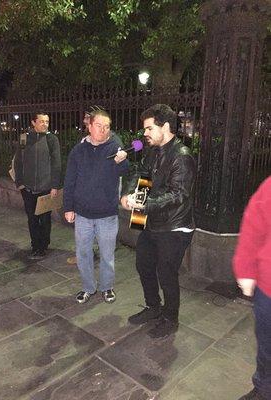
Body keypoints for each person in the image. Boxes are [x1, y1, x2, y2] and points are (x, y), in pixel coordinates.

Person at [121, 104, 195, 339]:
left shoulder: (182, 156)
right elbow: (140, 176)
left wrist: (144, 204)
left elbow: (179, 194)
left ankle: (170, 318)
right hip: (152, 222)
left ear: (165, 126)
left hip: (174, 226)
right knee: (143, 265)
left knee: (166, 273)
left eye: (149, 128)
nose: (145, 134)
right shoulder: (152, 151)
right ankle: (153, 307)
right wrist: (130, 196)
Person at [64, 109, 129, 304]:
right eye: (99, 126)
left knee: (107, 255)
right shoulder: (78, 151)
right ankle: (88, 287)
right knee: (83, 253)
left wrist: (122, 161)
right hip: (83, 214)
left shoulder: (115, 147)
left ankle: (107, 287)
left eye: (107, 126)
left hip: (107, 215)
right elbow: (69, 180)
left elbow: (125, 171)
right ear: (90, 126)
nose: (103, 130)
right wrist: (68, 207)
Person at [233, 176, 271, 400]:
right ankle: (264, 388)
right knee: (266, 346)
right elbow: (253, 226)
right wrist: (246, 269)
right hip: (268, 290)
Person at [14, 112, 61, 260]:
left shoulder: (52, 139)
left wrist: (54, 185)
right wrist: (19, 183)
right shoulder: (24, 138)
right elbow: (18, 161)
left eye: (47, 121)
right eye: (41, 121)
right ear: (33, 123)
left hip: (45, 188)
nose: (45, 124)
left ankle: (44, 245)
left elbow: (56, 164)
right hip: (27, 189)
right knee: (32, 219)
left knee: (45, 219)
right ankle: (35, 246)